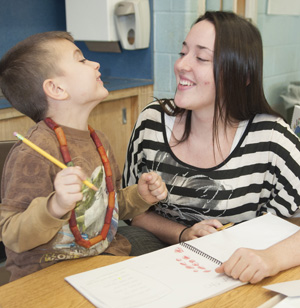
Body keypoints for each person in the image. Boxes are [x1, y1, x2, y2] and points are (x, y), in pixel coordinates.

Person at [122, 11, 300, 283]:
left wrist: (271, 259)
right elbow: (132, 213)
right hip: (159, 267)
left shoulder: (271, 137)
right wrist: (183, 234)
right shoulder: (152, 122)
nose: (182, 64)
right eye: (183, 52)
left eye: (201, 58)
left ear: (242, 75)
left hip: (232, 277)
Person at [0, 31, 167, 281]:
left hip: (102, 263)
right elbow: (12, 233)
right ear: (56, 88)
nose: (95, 63)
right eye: (81, 60)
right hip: (46, 278)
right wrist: (54, 206)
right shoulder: (33, 152)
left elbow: (106, 206)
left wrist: (140, 196)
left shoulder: (99, 140)